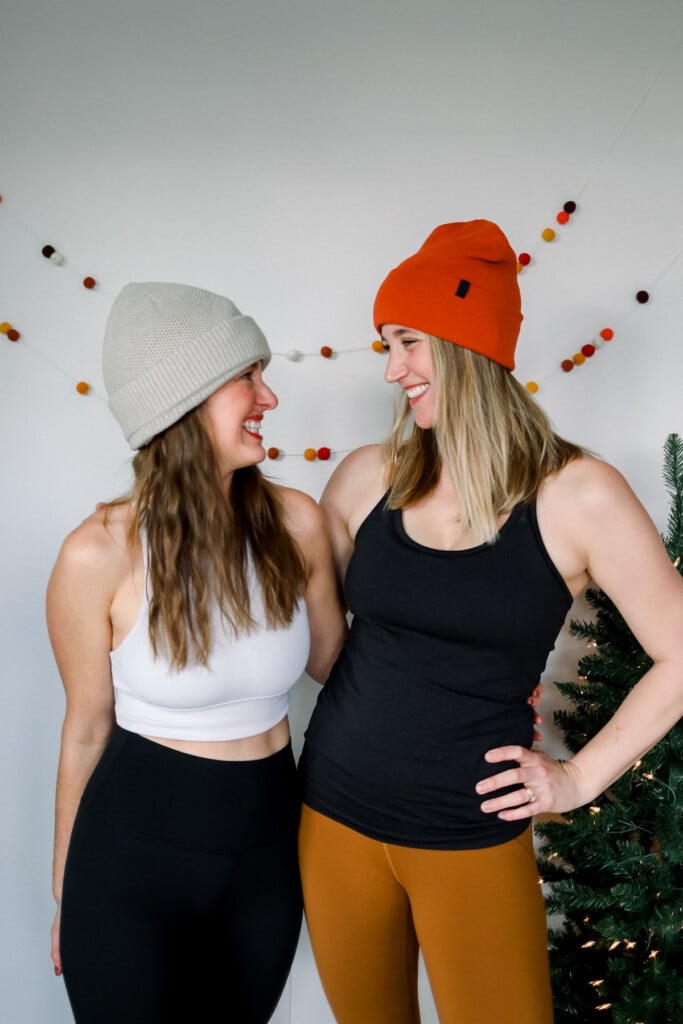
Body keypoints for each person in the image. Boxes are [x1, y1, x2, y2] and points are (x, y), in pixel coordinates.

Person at [297, 220, 683, 1024]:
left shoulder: (578, 494)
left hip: (468, 831)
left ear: (465, 343)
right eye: (385, 345)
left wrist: (576, 779)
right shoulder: (369, 477)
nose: (390, 368)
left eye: (406, 342)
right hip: (331, 814)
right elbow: (321, 652)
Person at [47, 282, 346, 1024]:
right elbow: (86, 727)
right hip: (129, 861)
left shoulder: (296, 523)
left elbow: (338, 667)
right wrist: (68, 895)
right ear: (182, 401)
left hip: (269, 851)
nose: (267, 397)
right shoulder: (96, 555)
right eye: (246, 377)